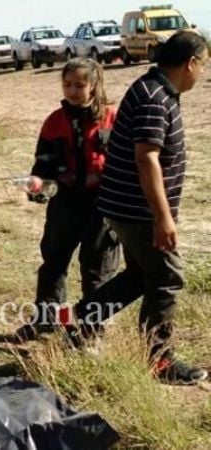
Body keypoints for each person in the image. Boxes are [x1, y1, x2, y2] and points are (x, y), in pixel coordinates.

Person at [68, 31, 209, 385]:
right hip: (138, 211)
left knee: (139, 276)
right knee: (166, 278)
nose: (203, 73)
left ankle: (83, 316)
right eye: (204, 65)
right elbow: (146, 158)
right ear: (190, 63)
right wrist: (162, 218)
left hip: (126, 206)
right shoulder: (154, 97)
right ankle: (159, 362)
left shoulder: (155, 90)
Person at [15, 58, 120, 342]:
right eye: (67, 84)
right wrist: (37, 184)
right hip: (65, 203)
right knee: (53, 262)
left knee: (97, 268)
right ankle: (45, 321)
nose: (72, 91)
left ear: (94, 85)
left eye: (79, 85)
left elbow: (129, 165)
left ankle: (91, 331)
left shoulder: (114, 119)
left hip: (104, 206)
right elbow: (43, 165)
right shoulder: (54, 122)